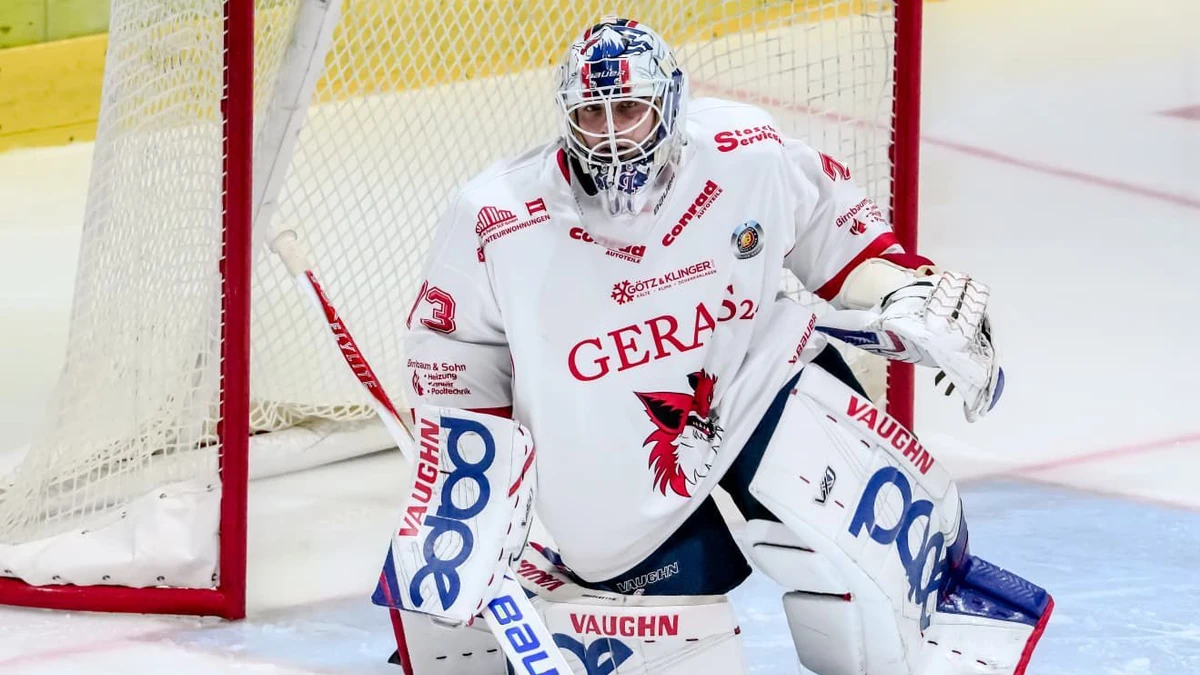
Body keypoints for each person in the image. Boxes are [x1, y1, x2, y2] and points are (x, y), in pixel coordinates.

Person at [395, 16, 1051, 675]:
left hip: (756, 399)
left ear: (671, 105)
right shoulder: (497, 218)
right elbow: (453, 360)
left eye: (629, 107)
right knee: (669, 649)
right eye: (594, 114)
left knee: (882, 600)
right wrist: (472, 498)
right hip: (620, 487)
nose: (615, 134)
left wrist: (909, 292)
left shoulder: (745, 152)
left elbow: (839, 238)